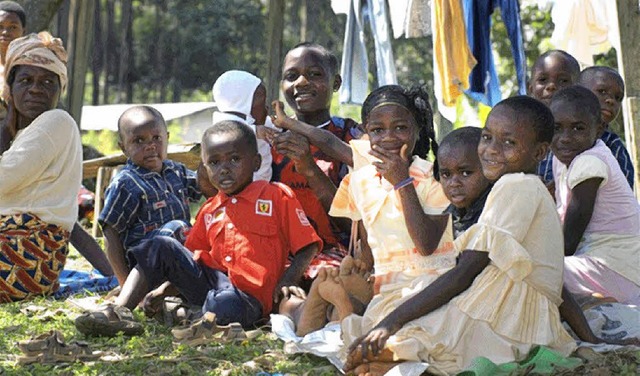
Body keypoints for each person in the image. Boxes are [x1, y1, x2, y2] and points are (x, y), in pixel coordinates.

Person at [342, 96, 576, 376]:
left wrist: (391, 323)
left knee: (404, 334)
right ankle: (389, 361)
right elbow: (552, 280)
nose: (491, 150)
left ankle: (390, 359)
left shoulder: (518, 186)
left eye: (509, 143)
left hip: (509, 319)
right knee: (409, 332)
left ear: (539, 152)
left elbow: (466, 272)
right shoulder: (515, 186)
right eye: (487, 137)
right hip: (497, 305)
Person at [76, 120, 322, 336]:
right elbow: (193, 261)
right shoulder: (210, 209)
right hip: (211, 285)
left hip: (249, 298)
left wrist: (289, 279)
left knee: (223, 307)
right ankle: (120, 311)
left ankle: (189, 314)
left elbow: (308, 244)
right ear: (204, 168)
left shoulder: (276, 196)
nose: (224, 169)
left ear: (256, 162)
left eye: (235, 159)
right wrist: (164, 289)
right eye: (214, 162)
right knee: (161, 245)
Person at [439, 126, 637, 348]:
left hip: (507, 321)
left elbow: (548, 275)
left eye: (466, 172)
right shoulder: (456, 212)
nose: (454, 182)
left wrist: (395, 321)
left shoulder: (510, 205)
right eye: (445, 174)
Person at [279, 85, 453, 337]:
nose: (389, 137)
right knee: (346, 291)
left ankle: (339, 309)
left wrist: (402, 181)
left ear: (417, 129)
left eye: (401, 128)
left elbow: (427, 246)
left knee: (387, 329)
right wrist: (362, 265)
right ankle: (332, 305)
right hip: (382, 282)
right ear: (366, 133)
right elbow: (369, 234)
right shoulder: (362, 179)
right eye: (378, 130)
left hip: (427, 283)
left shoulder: (434, 179)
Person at [0, 32, 81, 302]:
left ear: (60, 91)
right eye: (25, 80)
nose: (36, 89)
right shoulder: (24, 134)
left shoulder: (56, 121)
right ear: (9, 89)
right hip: (28, 262)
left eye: (48, 81)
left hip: (24, 255)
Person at [270, 42, 361, 283]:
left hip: (335, 253)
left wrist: (309, 169)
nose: (301, 82)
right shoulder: (269, 139)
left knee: (333, 283)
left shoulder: (351, 138)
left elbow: (350, 224)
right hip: (280, 252)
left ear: (336, 83)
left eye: (314, 74)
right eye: (291, 76)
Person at [550, 86, 640, 306]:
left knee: (536, 273)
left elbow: (568, 243)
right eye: (556, 128)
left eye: (578, 128)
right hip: (602, 262)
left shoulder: (589, 162)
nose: (565, 138)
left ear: (599, 129)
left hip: (619, 268)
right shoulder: (562, 157)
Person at [98, 106, 202, 285]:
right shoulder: (126, 183)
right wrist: (125, 284)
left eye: (157, 138)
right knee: (178, 228)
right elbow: (110, 232)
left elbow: (205, 186)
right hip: (144, 269)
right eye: (139, 141)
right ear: (124, 148)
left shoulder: (176, 171)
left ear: (167, 138)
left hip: (178, 261)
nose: (150, 146)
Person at [577, 66, 635, 189]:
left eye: (618, 98)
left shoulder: (613, 146)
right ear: (577, 93)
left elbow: (623, 194)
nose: (611, 100)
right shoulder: (556, 137)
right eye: (602, 91)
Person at [528, 50, 581, 183]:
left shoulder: (587, 135)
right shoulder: (522, 135)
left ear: (579, 89)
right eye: (543, 80)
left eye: (563, 81)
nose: (551, 86)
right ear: (531, 90)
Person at [211, 70, 273, 182]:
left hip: (263, 189)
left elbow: (275, 126)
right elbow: (232, 132)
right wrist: (255, 131)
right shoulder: (222, 124)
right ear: (244, 104)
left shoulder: (259, 123)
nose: (266, 108)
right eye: (262, 102)